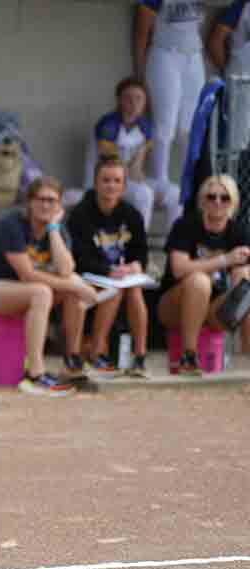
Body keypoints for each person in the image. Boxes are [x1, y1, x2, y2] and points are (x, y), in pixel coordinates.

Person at [0, 176, 100, 397]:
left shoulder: (55, 229)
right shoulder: (11, 226)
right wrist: (78, 286)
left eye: (52, 201)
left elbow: (66, 269)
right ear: (29, 202)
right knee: (43, 291)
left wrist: (55, 229)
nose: (46, 205)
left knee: (71, 290)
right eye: (41, 199)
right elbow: (27, 274)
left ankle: (71, 361)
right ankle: (36, 373)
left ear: (60, 206)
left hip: (22, 291)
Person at [157, 174, 250, 375]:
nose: (217, 202)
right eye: (211, 197)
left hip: (213, 311)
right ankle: (188, 357)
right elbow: (179, 269)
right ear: (202, 200)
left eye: (224, 198)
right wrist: (224, 260)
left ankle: (247, 359)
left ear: (232, 202)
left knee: (247, 283)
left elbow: (241, 285)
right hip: (174, 306)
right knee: (199, 281)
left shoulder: (238, 231)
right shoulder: (186, 225)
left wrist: (241, 277)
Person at [67, 158, 151, 378]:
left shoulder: (132, 215)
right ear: (95, 183)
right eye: (105, 180)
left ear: (124, 186)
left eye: (116, 181)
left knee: (133, 289)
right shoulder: (80, 214)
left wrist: (136, 265)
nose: (111, 186)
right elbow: (79, 258)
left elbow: (141, 251)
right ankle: (95, 350)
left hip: (120, 277)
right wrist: (109, 271)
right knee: (114, 289)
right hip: (89, 276)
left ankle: (140, 356)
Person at [81, 77, 183, 232]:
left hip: (129, 179)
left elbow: (138, 167)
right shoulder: (108, 125)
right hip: (105, 181)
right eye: (128, 98)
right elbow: (112, 167)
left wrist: (151, 186)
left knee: (175, 194)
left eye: (139, 98)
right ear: (119, 100)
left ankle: (174, 245)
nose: (134, 103)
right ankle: (139, 244)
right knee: (144, 193)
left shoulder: (145, 126)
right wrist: (142, 183)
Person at [133, 1, 206, 197]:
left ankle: (189, 183)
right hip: (165, 54)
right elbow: (141, 31)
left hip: (194, 55)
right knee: (165, 124)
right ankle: (160, 180)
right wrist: (139, 73)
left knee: (190, 127)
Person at [208, 3, 250, 152]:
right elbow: (215, 41)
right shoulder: (242, 7)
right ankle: (236, 171)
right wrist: (228, 71)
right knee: (239, 135)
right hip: (242, 78)